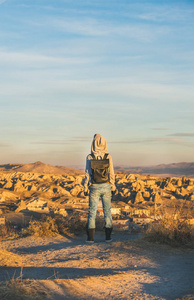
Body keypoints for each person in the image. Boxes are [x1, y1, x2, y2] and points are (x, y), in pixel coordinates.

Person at [84, 133, 116, 243]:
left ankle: (90, 238)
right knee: (107, 211)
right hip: (106, 186)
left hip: (94, 186)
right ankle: (108, 237)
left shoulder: (90, 157)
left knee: (92, 212)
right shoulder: (108, 157)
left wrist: (85, 187)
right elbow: (111, 172)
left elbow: (87, 173)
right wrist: (113, 185)